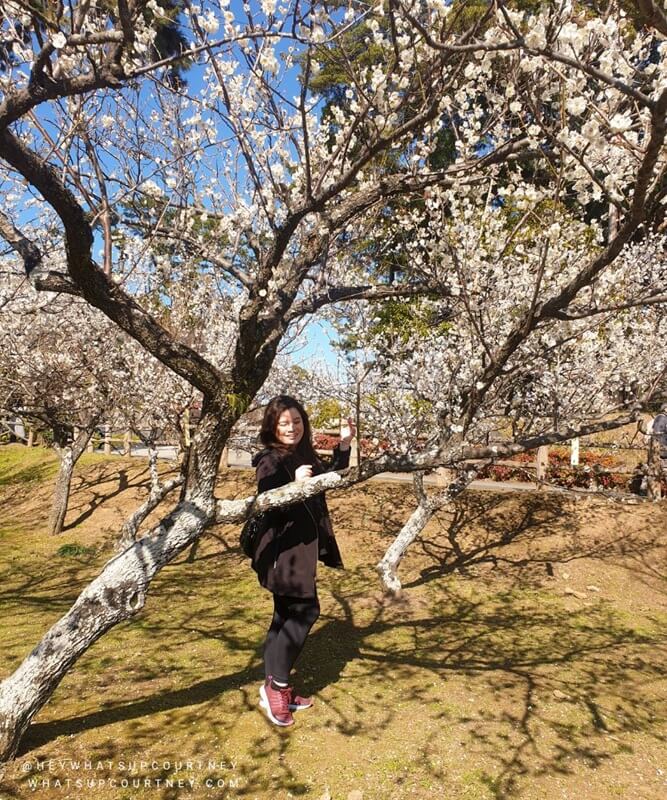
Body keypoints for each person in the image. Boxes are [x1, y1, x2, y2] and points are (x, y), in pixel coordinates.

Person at [250, 395, 355, 727]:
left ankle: (273, 684)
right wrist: (294, 486)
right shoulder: (270, 460)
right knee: (307, 611)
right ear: (272, 427)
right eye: (284, 423)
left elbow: (329, 479)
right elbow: (266, 501)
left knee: (284, 616)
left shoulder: (302, 453)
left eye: (296, 422)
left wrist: (344, 445)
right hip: (285, 552)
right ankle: (277, 687)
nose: (291, 428)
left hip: (300, 550)